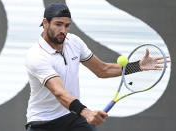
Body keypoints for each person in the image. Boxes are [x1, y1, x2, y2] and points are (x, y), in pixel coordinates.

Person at [25, 2, 167, 131]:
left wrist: (137, 66)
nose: (63, 30)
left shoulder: (74, 42)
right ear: (45, 23)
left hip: (71, 117)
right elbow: (59, 93)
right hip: (43, 123)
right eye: (58, 24)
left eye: (67, 25)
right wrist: (86, 112)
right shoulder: (36, 55)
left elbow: (102, 69)